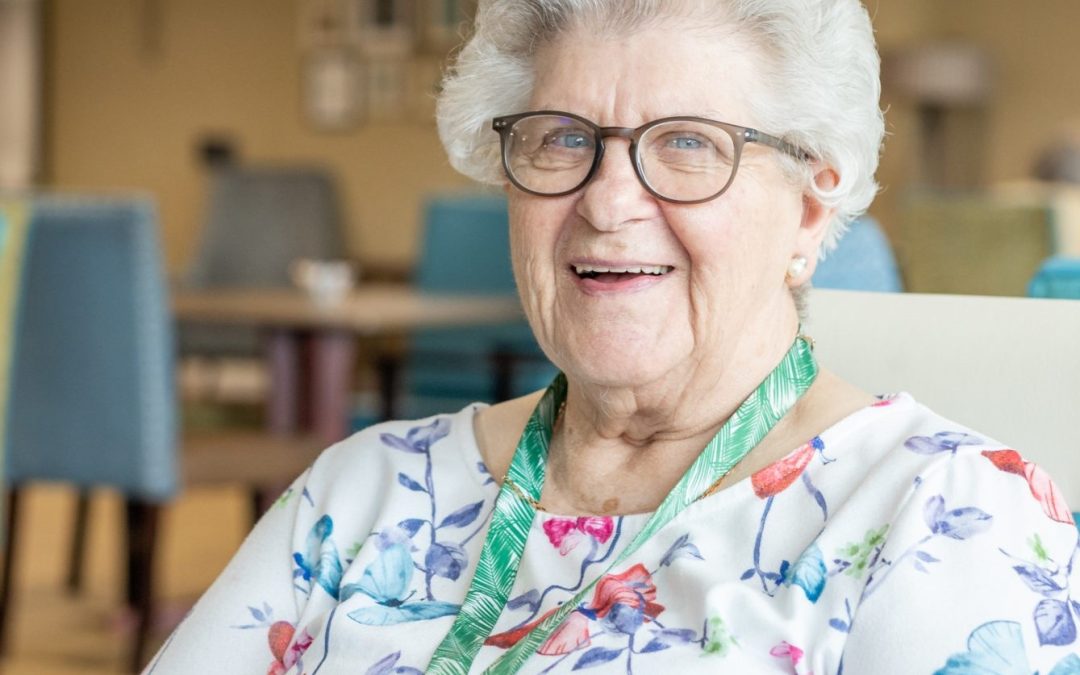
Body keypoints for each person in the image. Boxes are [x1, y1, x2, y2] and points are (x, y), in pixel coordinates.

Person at [145, 1, 1080, 673]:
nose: (607, 201)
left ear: (808, 207)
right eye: (562, 138)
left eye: (688, 143)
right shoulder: (361, 494)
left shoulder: (940, 518)